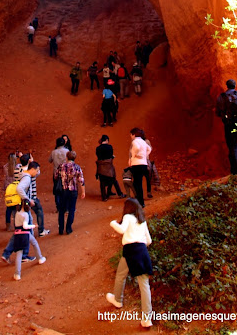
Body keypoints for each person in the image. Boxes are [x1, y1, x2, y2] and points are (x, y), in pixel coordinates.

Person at [106, 198, 153, 329]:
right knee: (144, 284)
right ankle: (147, 318)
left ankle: (117, 300)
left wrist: (112, 223)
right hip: (142, 251)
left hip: (130, 251)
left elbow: (121, 230)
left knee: (121, 275)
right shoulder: (142, 221)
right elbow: (148, 240)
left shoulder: (128, 216)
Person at [2, 161, 40, 264]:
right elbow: (20, 188)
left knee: (19, 231)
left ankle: (6, 253)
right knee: (26, 231)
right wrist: (27, 200)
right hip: (23, 207)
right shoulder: (27, 178)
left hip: (17, 205)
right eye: (36, 170)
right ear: (32, 169)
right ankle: (24, 255)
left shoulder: (22, 173)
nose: (37, 173)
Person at [12, 200, 46, 281]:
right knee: (34, 243)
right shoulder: (25, 215)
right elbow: (25, 226)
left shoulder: (17, 213)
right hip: (25, 234)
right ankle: (40, 258)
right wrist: (34, 226)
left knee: (19, 253)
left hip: (17, 234)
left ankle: (17, 274)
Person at [55, 151, 85, 235]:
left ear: (67, 157)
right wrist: (83, 191)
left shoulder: (61, 166)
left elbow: (56, 176)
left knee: (61, 210)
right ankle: (68, 228)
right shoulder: (77, 167)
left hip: (63, 190)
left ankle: (61, 229)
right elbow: (81, 180)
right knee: (71, 209)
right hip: (73, 190)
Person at [96, 135, 125, 201]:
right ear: (106, 140)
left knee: (102, 183)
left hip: (101, 167)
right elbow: (110, 155)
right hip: (108, 166)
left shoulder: (98, 148)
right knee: (113, 179)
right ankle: (120, 194)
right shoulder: (109, 147)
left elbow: (98, 156)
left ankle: (104, 197)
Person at [128, 128, 151, 207]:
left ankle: (140, 202)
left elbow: (137, 148)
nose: (130, 136)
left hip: (136, 165)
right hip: (143, 164)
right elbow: (149, 149)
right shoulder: (143, 141)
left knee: (137, 184)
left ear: (134, 134)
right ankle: (141, 202)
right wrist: (144, 156)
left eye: (131, 135)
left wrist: (134, 156)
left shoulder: (135, 141)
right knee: (139, 183)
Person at [49, 138, 69, 211]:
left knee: (57, 190)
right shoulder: (67, 151)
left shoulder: (54, 152)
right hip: (65, 173)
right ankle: (66, 207)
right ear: (64, 143)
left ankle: (58, 207)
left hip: (56, 173)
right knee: (66, 190)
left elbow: (49, 160)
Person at [3, 153, 18, 231]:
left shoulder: (5, 167)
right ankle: (17, 224)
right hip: (15, 188)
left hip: (8, 188)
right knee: (16, 206)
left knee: (8, 207)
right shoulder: (17, 168)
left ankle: (8, 225)